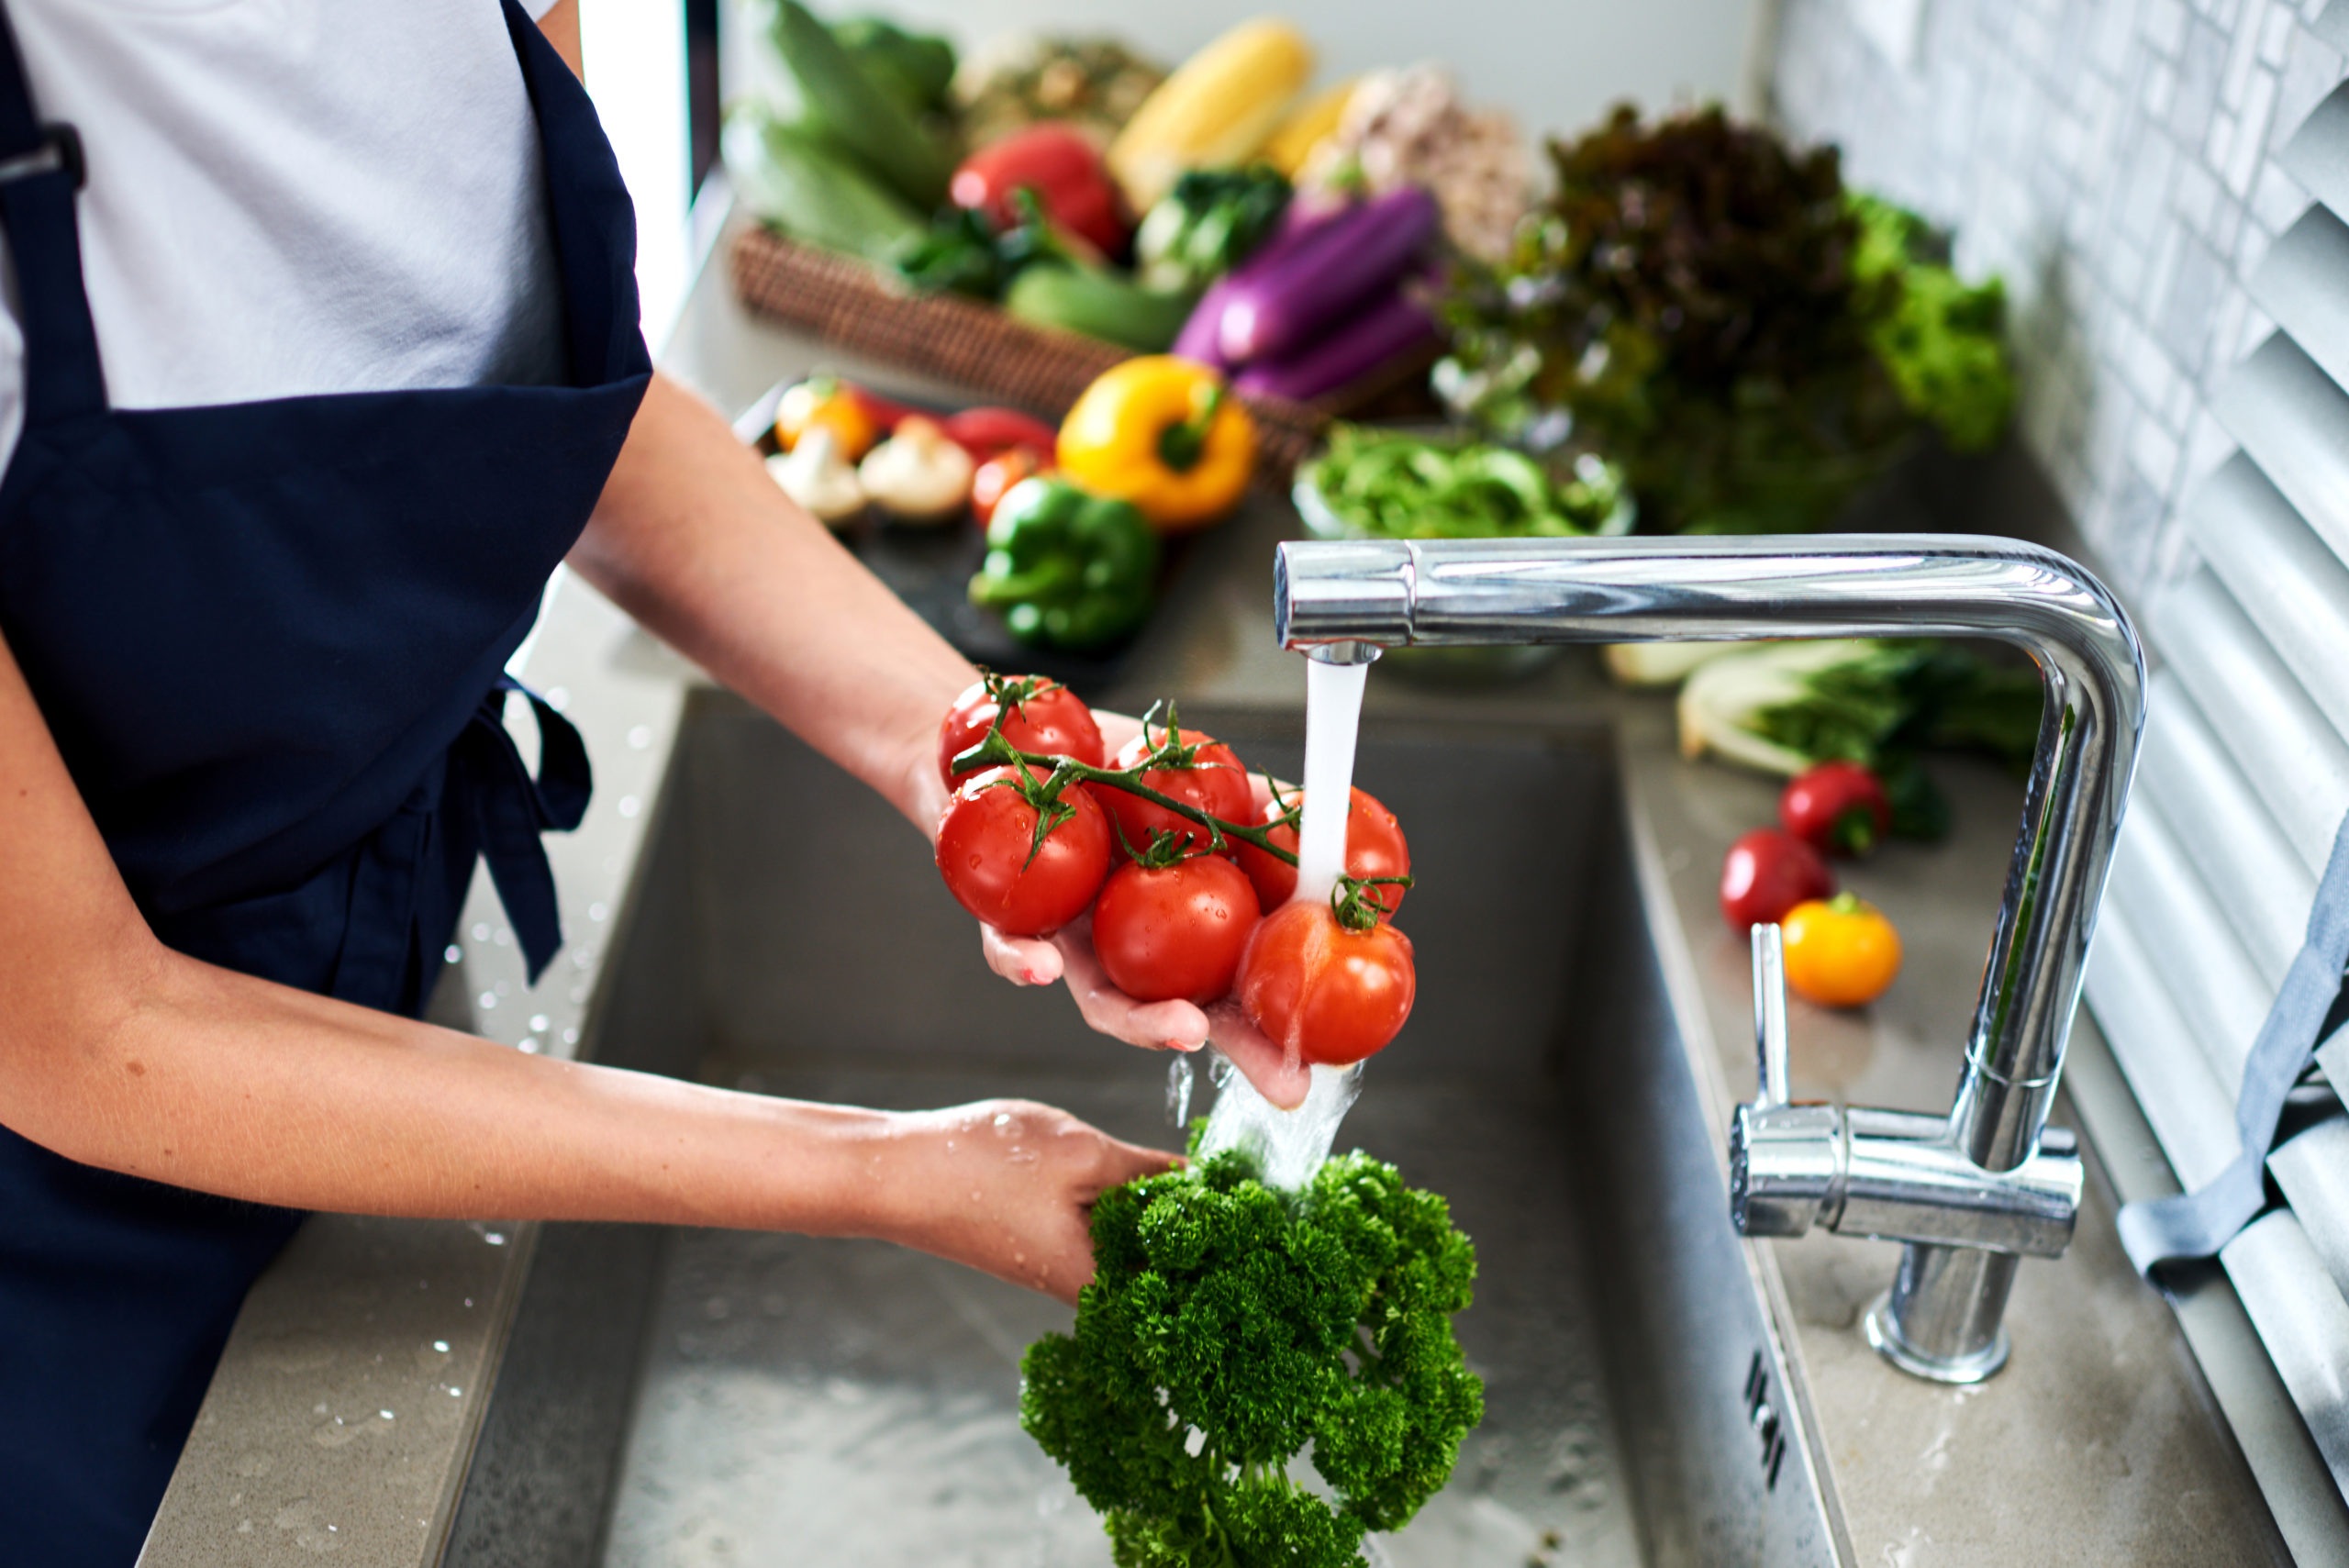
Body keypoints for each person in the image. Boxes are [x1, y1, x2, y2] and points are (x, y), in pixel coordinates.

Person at [0, 3, 1302, 1562]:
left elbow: (570, 419)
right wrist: (890, 1172)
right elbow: (83, 1027)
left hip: (394, 973)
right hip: (52, 1235)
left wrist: (996, 768)